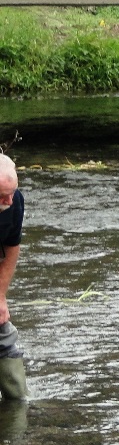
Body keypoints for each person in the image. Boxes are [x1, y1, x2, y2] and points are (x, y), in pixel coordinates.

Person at [0, 154, 27, 401]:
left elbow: (11, 246)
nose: (8, 201)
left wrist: (0, 297)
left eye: (12, 192)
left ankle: (17, 406)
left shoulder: (14, 201)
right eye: (1, 196)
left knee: (3, 333)